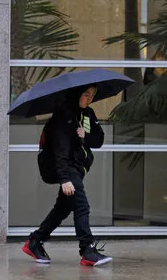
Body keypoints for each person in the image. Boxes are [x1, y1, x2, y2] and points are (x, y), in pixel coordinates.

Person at [22, 85, 113, 267]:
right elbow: (60, 150)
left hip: (78, 168)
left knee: (62, 209)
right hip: (68, 168)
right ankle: (87, 249)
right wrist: (64, 179)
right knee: (81, 206)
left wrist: (84, 135)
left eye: (92, 95)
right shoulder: (63, 116)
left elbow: (99, 140)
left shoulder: (88, 114)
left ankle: (35, 241)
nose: (89, 98)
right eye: (86, 94)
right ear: (77, 94)